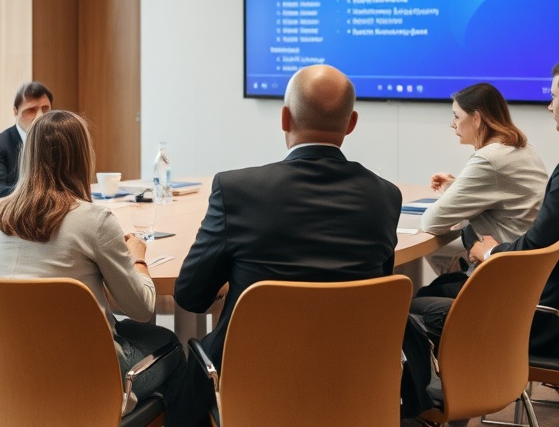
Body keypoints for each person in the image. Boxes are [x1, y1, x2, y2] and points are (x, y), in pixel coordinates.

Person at [173, 64, 412, 425]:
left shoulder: (237, 190)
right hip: (351, 380)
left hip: (252, 384)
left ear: (284, 118)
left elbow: (190, 295)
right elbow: (376, 286)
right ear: (351, 124)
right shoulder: (385, 196)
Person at [413, 55, 559, 357]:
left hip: (545, 316)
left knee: (413, 309)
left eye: (553, 97)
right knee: (442, 288)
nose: (550, 106)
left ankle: (453, 394)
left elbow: (540, 244)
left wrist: (489, 252)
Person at [0, 110, 188, 423]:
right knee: (175, 348)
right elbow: (140, 307)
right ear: (83, 156)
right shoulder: (94, 221)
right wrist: (136, 257)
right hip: (87, 376)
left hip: (12, 371)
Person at [420, 83, 548, 281]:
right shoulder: (520, 148)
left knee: (420, 301)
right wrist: (455, 186)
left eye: (456, 116)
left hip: (505, 274)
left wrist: (455, 191)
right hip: (526, 267)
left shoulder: (489, 159)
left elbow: (431, 222)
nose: (452, 124)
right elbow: (497, 194)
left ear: (477, 119)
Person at [0, 80, 52, 200]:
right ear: (15, 111)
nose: (40, 117)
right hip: (15, 215)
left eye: (45, 109)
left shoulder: (58, 140)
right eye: (31, 110)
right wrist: (43, 193)